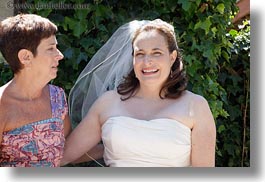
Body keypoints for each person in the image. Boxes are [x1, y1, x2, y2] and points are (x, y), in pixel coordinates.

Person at [61, 19, 216, 167]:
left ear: (172, 57)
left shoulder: (195, 106)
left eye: (156, 53)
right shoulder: (108, 102)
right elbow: (65, 155)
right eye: (140, 54)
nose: (147, 61)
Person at [0, 14, 102, 167]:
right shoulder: (2, 106)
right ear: (26, 57)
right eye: (50, 49)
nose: (59, 55)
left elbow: (67, 151)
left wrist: (119, 148)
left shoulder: (57, 96)